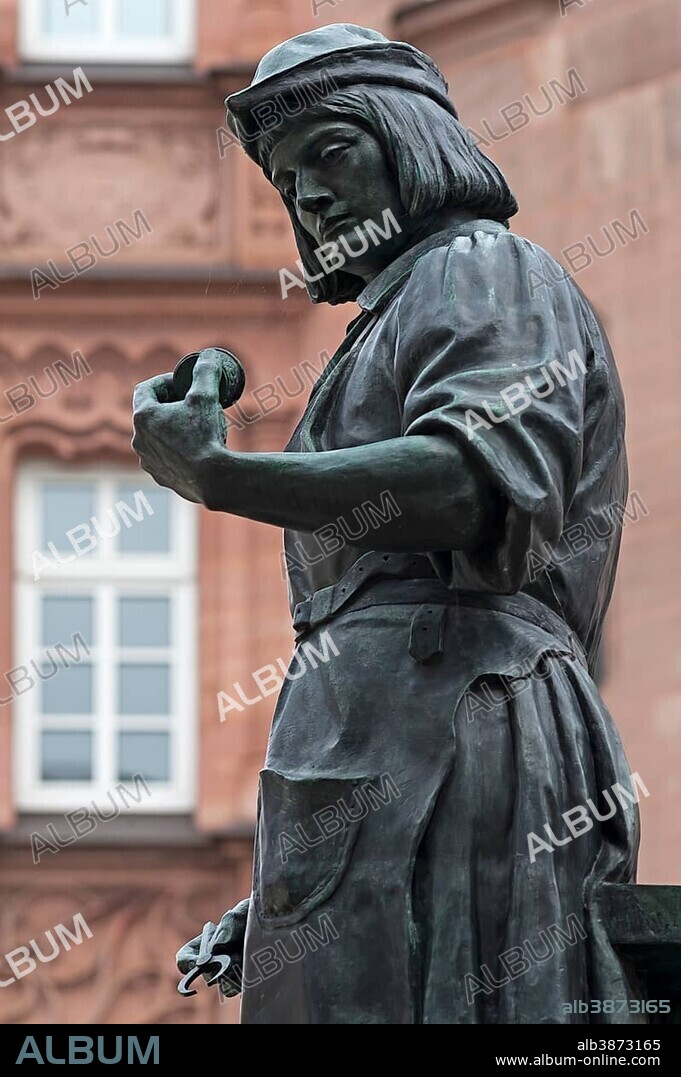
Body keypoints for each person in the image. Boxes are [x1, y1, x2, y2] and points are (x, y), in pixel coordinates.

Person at [133, 25, 643, 1024]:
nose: (309, 197)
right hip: (397, 753)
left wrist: (222, 474)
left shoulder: (482, 268)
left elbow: (471, 485)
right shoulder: (396, 315)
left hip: (467, 714)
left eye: (331, 153)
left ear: (411, 142)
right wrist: (284, 897)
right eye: (286, 181)